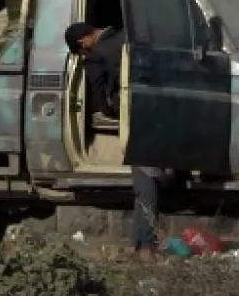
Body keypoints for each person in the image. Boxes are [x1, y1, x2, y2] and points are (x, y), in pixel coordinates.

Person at [64, 22, 165, 263]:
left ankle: (145, 247)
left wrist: (112, 109)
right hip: (156, 112)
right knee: (145, 181)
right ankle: (139, 244)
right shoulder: (129, 36)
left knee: (146, 181)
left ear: (84, 41)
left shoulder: (96, 55)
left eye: (82, 51)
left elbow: (102, 101)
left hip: (136, 118)